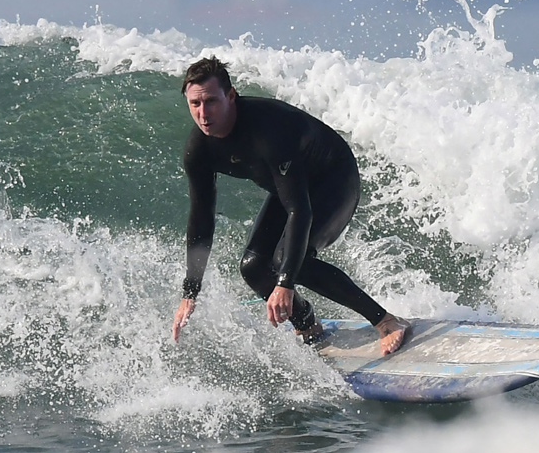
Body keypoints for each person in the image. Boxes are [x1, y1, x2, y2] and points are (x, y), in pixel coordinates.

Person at [171, 56, 410, 355]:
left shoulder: (266, 130)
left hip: (334, 178)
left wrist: (285, 283)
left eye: (211, 101)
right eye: (195, 104)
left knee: (294, 262)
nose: (203, 113)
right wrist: (190, 291)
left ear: (231, 96)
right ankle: (308, 325)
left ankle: (386, 321)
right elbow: (201, 219)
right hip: (292, 186)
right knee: (255, 268)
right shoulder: (199, 149)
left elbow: (300, 210)